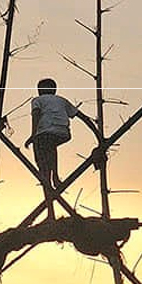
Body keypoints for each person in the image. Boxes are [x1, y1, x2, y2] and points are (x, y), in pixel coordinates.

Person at [23, 77, 97, 216]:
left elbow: (36, 115)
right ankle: (55, 176)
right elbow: (83, 117)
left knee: (44, 172)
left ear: (40, 90)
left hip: (44, 134)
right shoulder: (61, 100)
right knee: (51, 147)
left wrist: (32, 135)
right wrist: (97, 134)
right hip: (63, 133)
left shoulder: (37, 100)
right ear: (54, 90)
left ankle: (50, 212)